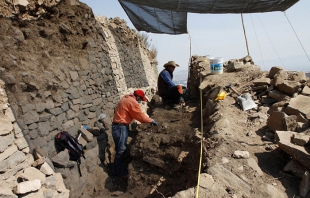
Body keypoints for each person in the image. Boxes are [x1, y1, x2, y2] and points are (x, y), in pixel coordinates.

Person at [112, 89, 158, 178]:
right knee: (121, 150)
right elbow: (140, 116)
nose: (140, 101)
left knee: (120, 149)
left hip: (118, 126)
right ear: (137, 96)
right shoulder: (132, 102)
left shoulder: (126, 98)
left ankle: (115, 171)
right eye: (140, 99)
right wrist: (150, 120)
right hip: (120, 127)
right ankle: (120, 172)